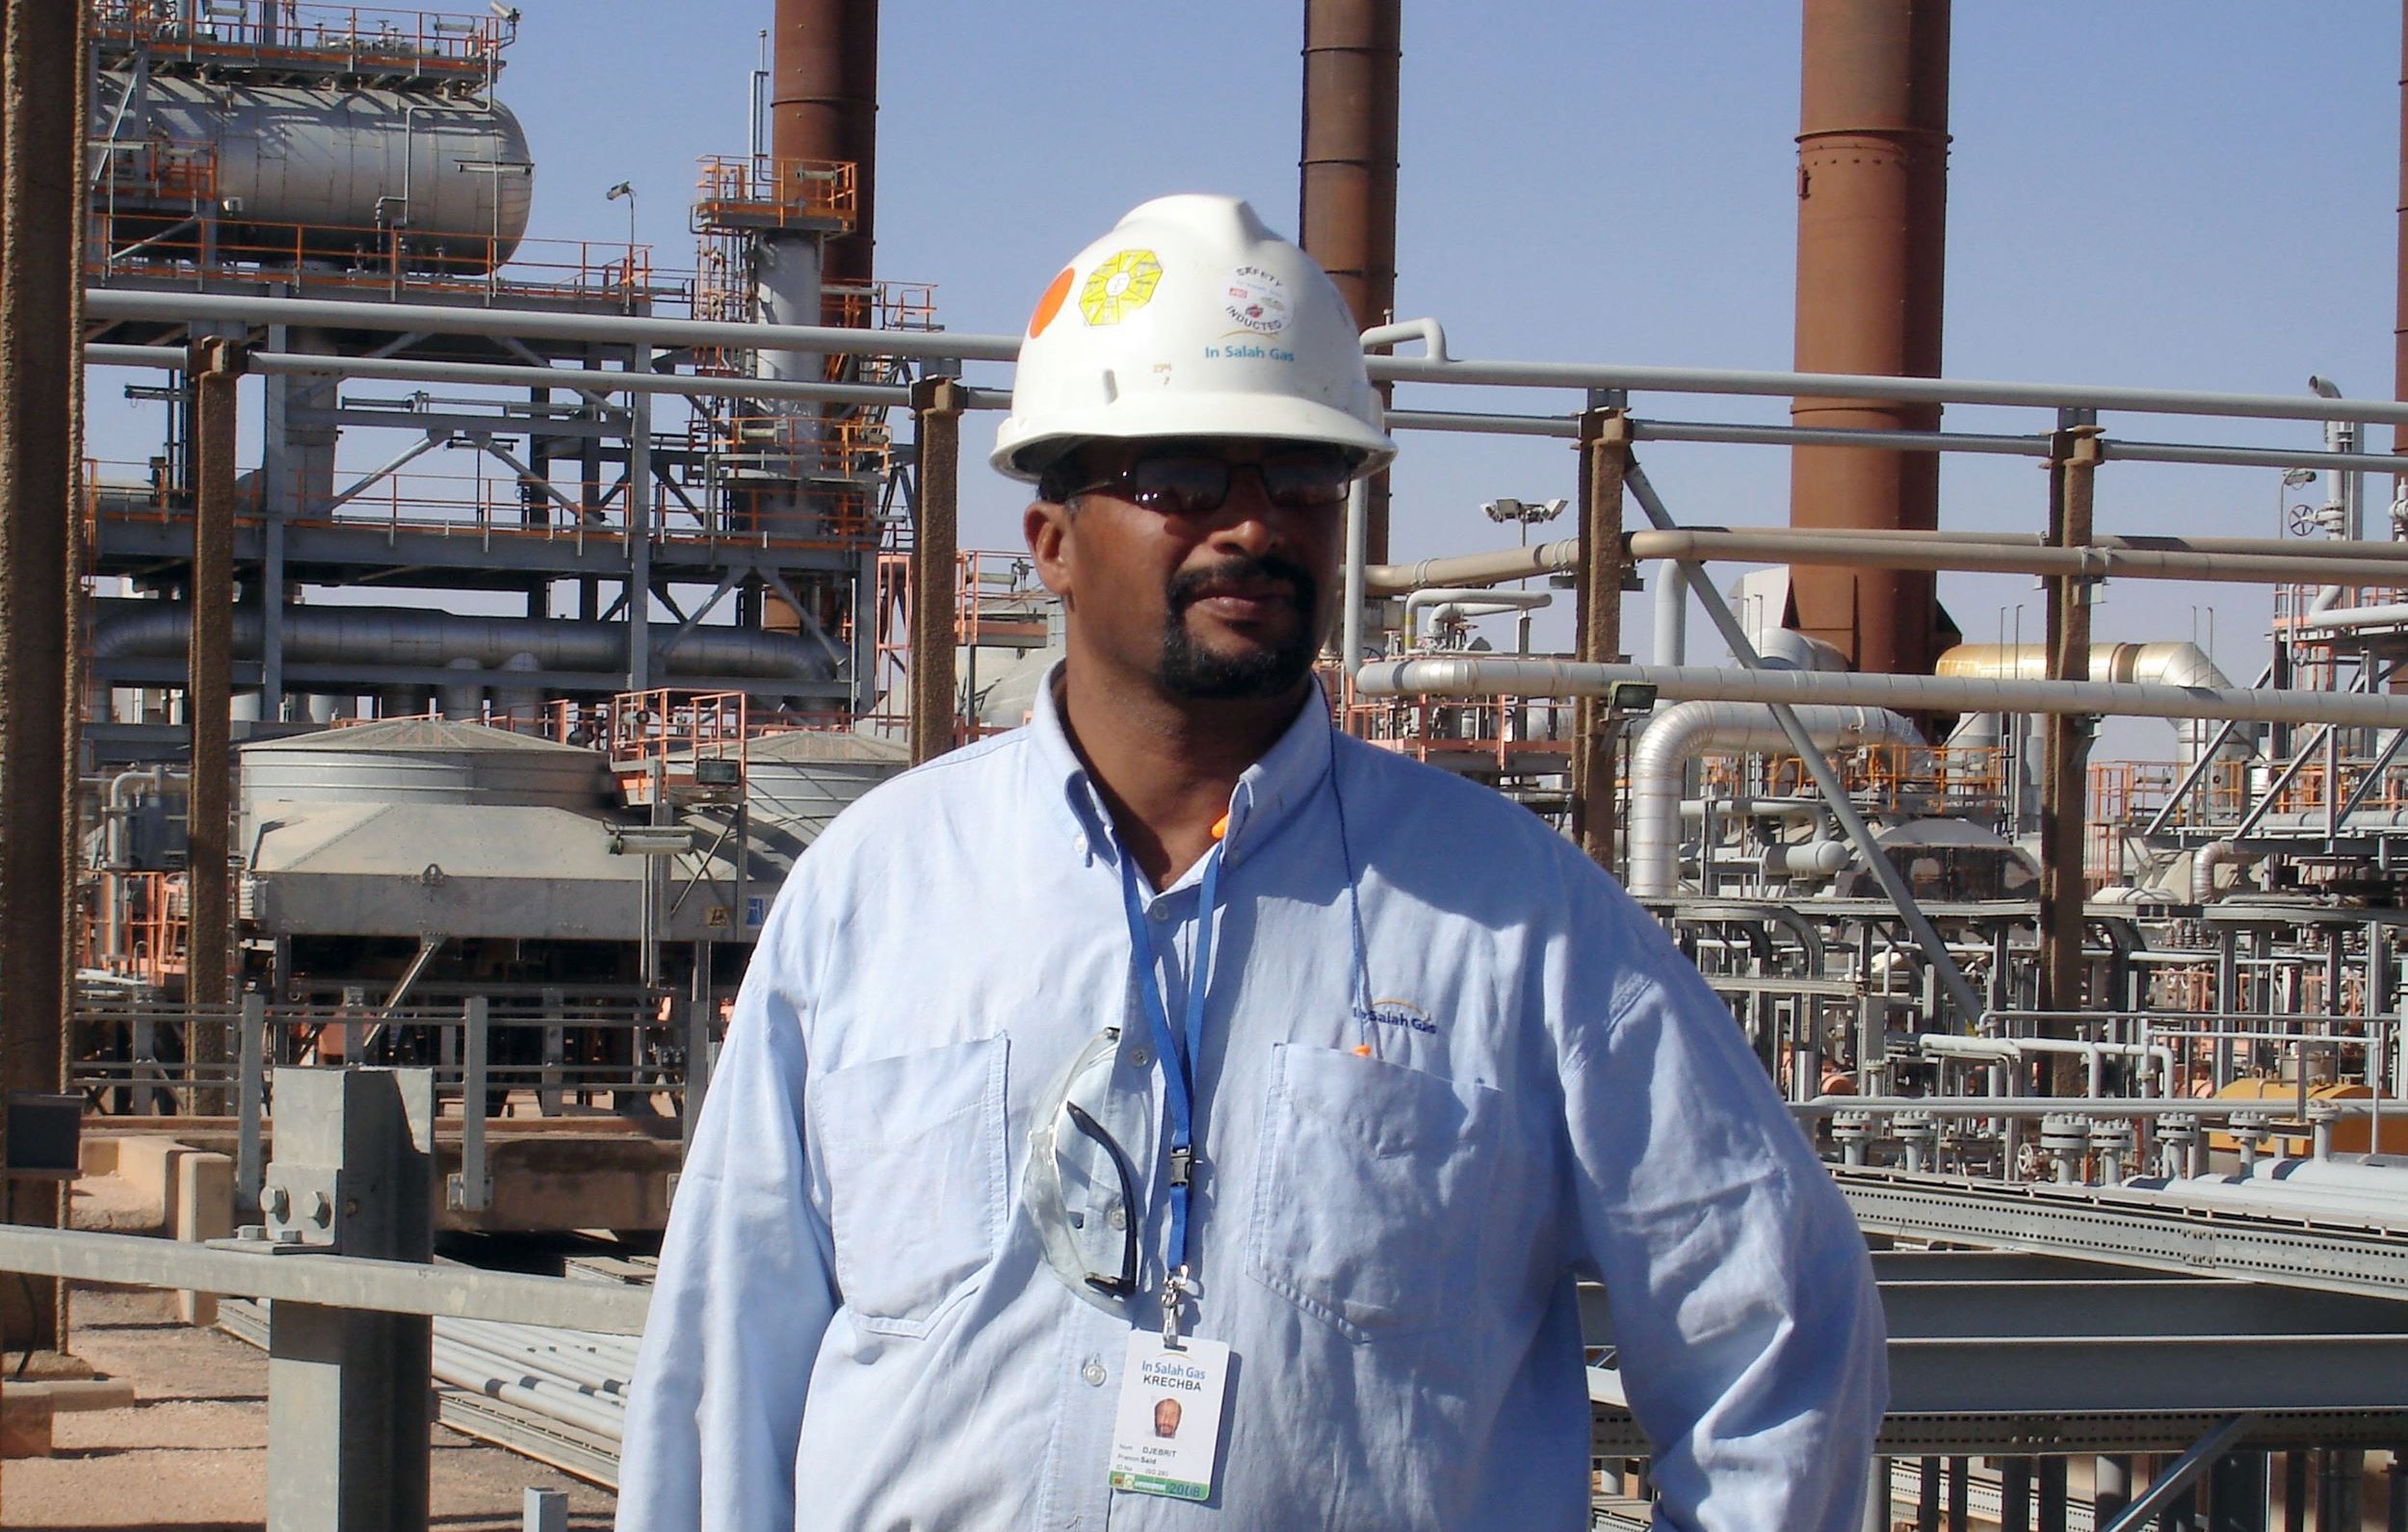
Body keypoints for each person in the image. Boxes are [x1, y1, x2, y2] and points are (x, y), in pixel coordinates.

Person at [617, 194, 1886, 1532]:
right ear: (1048, 539)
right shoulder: (877, 895)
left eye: (1297, 478)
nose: (1252, 525)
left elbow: (1776, 1322)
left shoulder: (1517, 923)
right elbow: (725, 1367)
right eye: (1177, 478)